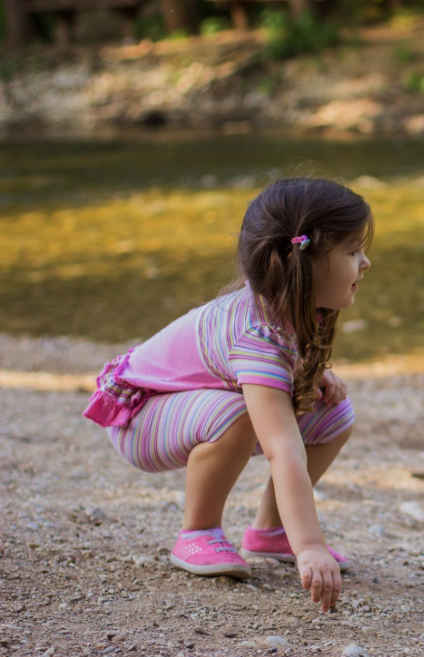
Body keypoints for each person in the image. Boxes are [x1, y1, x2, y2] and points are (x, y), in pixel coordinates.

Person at [81, 178, 373, 612]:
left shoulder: (286, 301)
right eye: (352, 252)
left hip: (184, 405)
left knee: (332, 412)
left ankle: (271, 532)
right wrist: (311, 544)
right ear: (306, 264)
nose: (365, 263)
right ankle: (197, 532)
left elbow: (277, 362)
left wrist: (308, 373)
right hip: (139, 418)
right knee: (240, 413)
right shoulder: (255, 335)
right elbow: (284, 450)